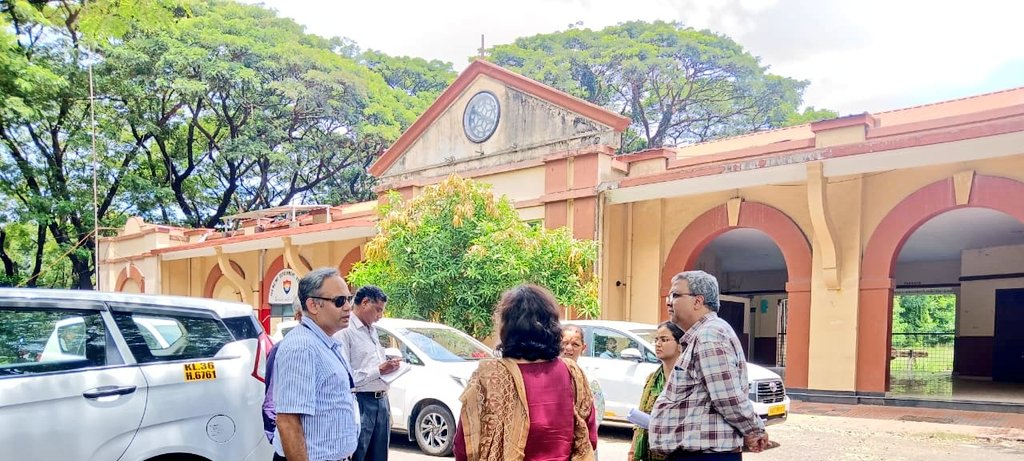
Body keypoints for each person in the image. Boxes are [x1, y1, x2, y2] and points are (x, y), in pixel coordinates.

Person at [454, 284, 598, 461]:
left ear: (507, 328)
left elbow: (464, 447)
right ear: (552, 326)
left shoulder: (489, 376)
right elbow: (589, 440)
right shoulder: (572, 373)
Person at [649, 271, 769, 460]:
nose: (669, 302)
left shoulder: (709, 335)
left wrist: (754, 430)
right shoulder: (702, 334)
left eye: (676, 295)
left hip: (705, 455)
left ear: (698, 301)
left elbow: (727, 397)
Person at [273, 267, 360, 461]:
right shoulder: (302, 347)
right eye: (339, 301)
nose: (348, 307)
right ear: (313, 305)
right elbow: (288, 421)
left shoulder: (325, 342)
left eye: (349, 299)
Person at [335, 285, 401, 461]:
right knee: (359, 455)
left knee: (379, 456)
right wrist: (378, 370)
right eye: (378, 310)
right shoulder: (345, 331)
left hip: (381, 401)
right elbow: (345, 376)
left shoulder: (371, 330)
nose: (380, 316)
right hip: (361, 402)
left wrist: (389, 367)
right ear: (364, 303)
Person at [628, 321, 685, 461]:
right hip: (649, 450)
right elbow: (640, 416)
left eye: (664, 340)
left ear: (680, 345)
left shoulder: (687, 378)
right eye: (656, 339)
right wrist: (632, 451)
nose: (658, 344)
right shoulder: (652, 379)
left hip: (677, 451)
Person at [263, 308, 303, 448]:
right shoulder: (284, 348)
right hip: (293, 445)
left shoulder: (332, 346)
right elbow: (270, 400)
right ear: (298, 315)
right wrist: (276, 437)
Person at [560, 325, 606, 427]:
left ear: (583, 348)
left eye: (575, 344)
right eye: (564, 343)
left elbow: (597, 414)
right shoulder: (547, 376)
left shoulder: (590, 382)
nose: (568, 348)